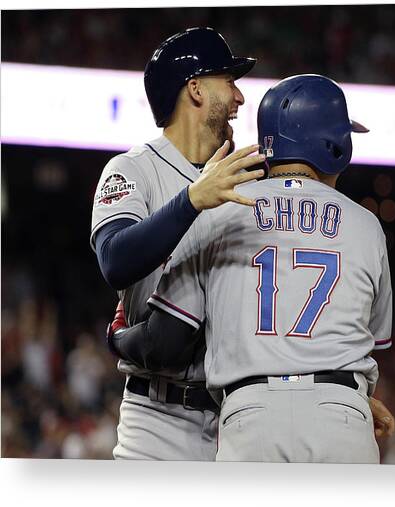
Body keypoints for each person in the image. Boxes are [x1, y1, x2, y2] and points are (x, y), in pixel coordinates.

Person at [110, 74, 393, 463]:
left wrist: (119, 337)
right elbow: (374, 342)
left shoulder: (218, 211)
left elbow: (169, 338)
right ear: (335, 146)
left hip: (250, 415)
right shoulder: (366, 225)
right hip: (342, 414)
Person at [90, 27, 264, 460]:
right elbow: (115, 258)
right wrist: (190, 202)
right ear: (196, 89)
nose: (239, 98)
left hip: (235, 420)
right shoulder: (133, 169)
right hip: (156, 420)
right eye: (229, 80)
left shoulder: (244, 176)